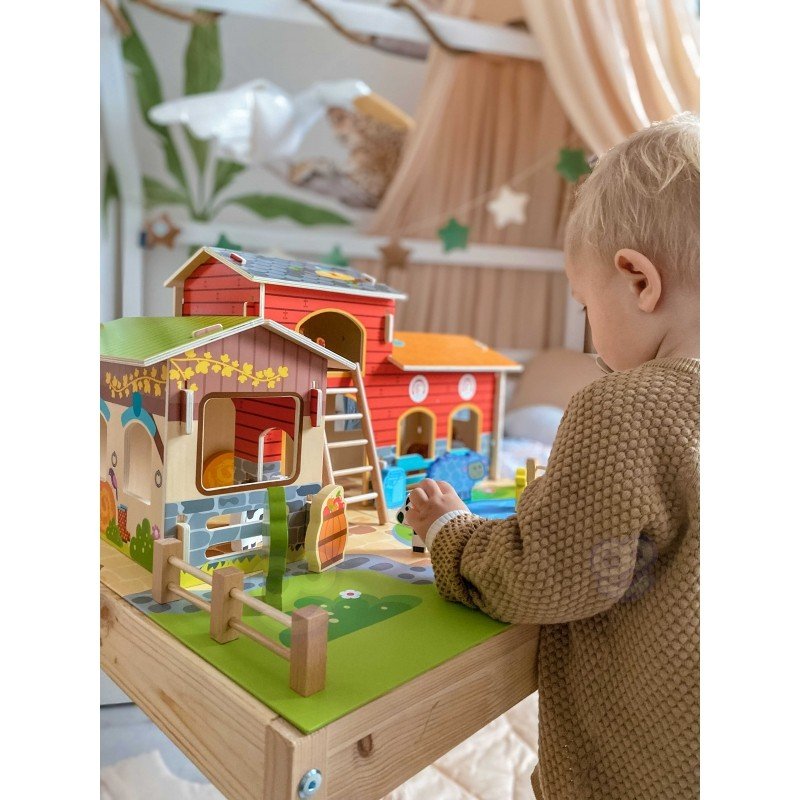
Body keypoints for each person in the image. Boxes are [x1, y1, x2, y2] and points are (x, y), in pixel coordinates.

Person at [404, 115, 700, 800]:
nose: (592, 340)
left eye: (585, 308)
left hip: (639, 773)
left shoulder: (619, 407)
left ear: (637, 281)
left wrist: (450, 531)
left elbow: (544, 577)